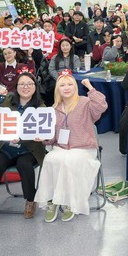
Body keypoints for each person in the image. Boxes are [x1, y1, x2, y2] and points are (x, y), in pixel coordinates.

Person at [34, 73, 107, 222]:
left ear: (75, 87)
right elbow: (52, 137)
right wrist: (44, 138)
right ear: (57, 89)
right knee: (50, 159)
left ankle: (69, 202)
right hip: (60, 148)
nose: (66, 88)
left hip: (84, 147)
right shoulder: (54, 109)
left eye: (70, 84)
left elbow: (102, 106)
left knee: (70, 161)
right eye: (62, 85)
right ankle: (52, 200)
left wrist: (90, 87)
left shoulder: (85, 102)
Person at [0, 72, 46, 219]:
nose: (26, 87)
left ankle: (30, 201)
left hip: (29, 148)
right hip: (6, 147)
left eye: (29, 84)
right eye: (22, 84)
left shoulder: (41, 107)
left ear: (35, 86)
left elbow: (41, 131)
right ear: (16, 86)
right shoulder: (7, 99)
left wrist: (21, 139)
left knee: (24, 165)